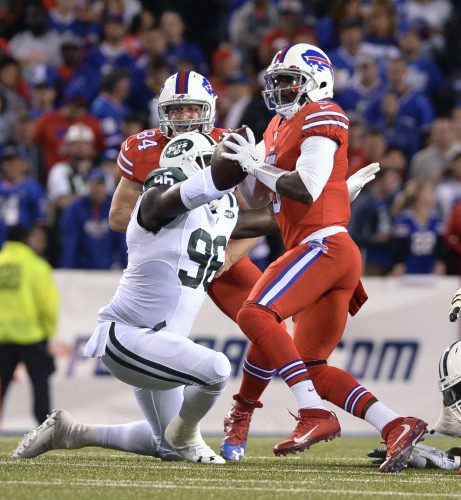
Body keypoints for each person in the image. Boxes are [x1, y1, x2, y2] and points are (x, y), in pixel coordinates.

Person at [217, 43, 427, 473]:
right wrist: (239, 168)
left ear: (317, 80)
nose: (280, 90)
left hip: (323, 245)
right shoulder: (277, 125)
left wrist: (257, 167)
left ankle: (310, 413)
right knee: (310, 364)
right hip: (322, 249)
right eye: (276, 82)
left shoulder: (323, 112)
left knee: (255, 313)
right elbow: (260, 201)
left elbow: (305, 187)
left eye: (289, 80)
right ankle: (395, 426)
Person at [12, 131, 241, 464]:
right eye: (206, 164)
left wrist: (319, 198)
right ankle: (187, 434)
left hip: (159, 345)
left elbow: (264, 219)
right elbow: (171, 199)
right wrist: (221, 174)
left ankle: (73, 432)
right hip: (126, 337)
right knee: (217, 368)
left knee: (166, 447)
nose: (213, 171)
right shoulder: (152, 204)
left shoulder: (219, 209)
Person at [0, 225, 59, 425]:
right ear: (25, 240)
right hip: (32, 336)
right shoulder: (36, 265)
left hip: (2, 338)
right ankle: (44, 432)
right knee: (40, 390)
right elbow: (47, 305)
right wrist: (48, 333)